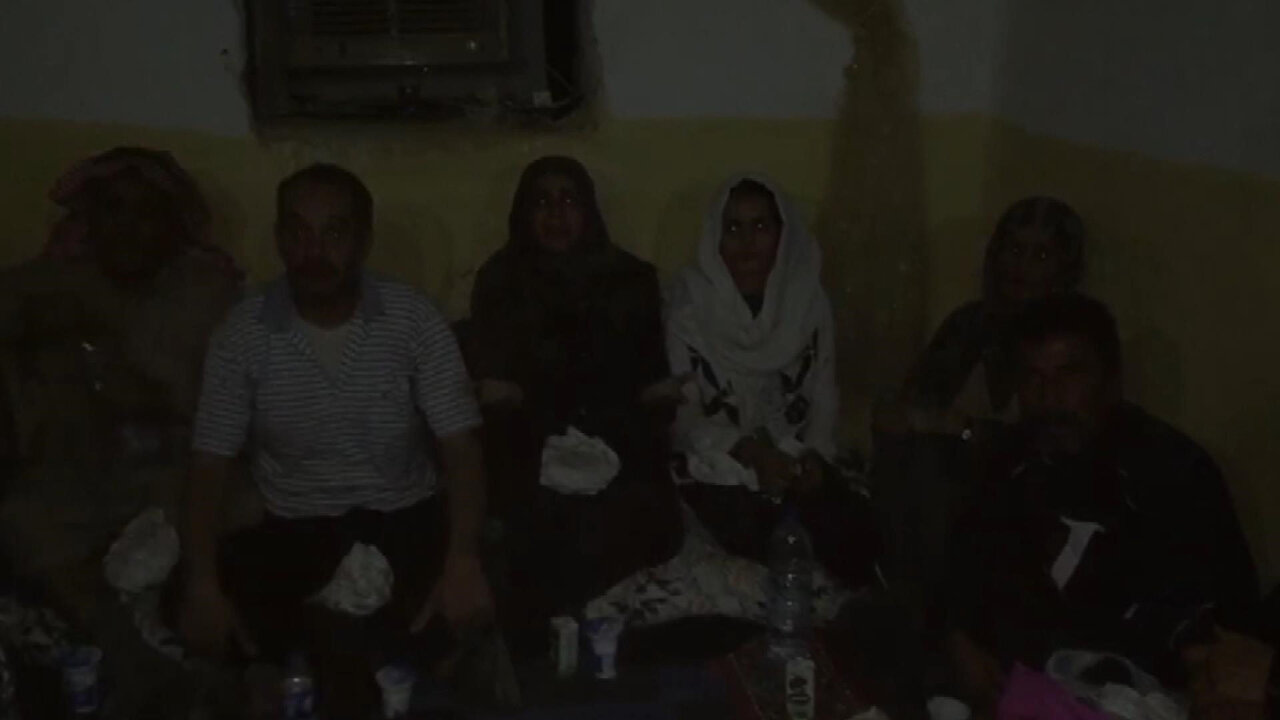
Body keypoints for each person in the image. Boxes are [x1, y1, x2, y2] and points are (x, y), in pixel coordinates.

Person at [176, 164, 492, 715]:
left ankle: (330, 657)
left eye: (334, 233)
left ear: (363, 242)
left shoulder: (412, 319)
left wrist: (462, 559)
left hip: (402, 517)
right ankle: (357, 657)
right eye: (298, 233)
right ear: (279, 239)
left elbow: (461, 449)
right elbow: (208, 465)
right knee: (195, 592)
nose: (314, 251)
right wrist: (202, 584)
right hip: (296, 527)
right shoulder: (243, 333)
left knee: (479, 583)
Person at [943, 294, 1258, 715]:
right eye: (1033, 377)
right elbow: (957, 580)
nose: (1049, 395)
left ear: (1111, 381)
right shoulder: (1004, 465)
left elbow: (1211, 637)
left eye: (1068, 374)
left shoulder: (1173, 473)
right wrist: (958, 640)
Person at [466, 156, 682, 649]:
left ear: (589, 211)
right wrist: (526, 403)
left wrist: (648, 401)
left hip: (616, 437)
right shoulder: (501, 282)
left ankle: (603, 646)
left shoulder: (630, 281)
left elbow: (646, 383)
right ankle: (542, 649)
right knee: (535, 519)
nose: (556, 214)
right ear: (523, 214)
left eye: (569, 200)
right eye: (542, 202)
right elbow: (496, 391)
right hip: (530, 443)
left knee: (639, 515)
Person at [663, 174, 876, 588]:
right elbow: (685, 421)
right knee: (748, 524)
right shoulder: (689, 306)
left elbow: (824, 398)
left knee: (854, 529)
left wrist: (813, 458)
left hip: (793, 460)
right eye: (733, 228)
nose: (748, 241)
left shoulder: (807, 302)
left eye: (761, 226)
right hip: (724, 462)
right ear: (716, 239)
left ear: (783, 233)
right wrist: (750, 452)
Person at [881, 196, 1086, 436]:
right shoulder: (966, 326)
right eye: (1015, 250)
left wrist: (971, 430)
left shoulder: (1074, 342)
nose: (1022, 265)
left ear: (1064, 268)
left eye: (1041, 256)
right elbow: (912, 407)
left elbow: (1065, 437)